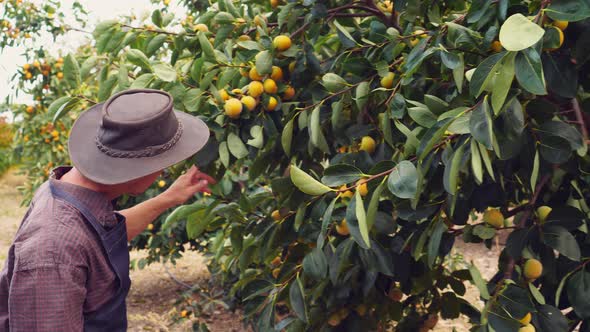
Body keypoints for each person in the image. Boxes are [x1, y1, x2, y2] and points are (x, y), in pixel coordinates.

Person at [0, 88, 216, 331]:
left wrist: (169, 197)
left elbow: (98, 239)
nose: (163, 172)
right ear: (140, 169)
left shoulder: (71, 195)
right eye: (163, 163)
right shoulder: (53, 252)